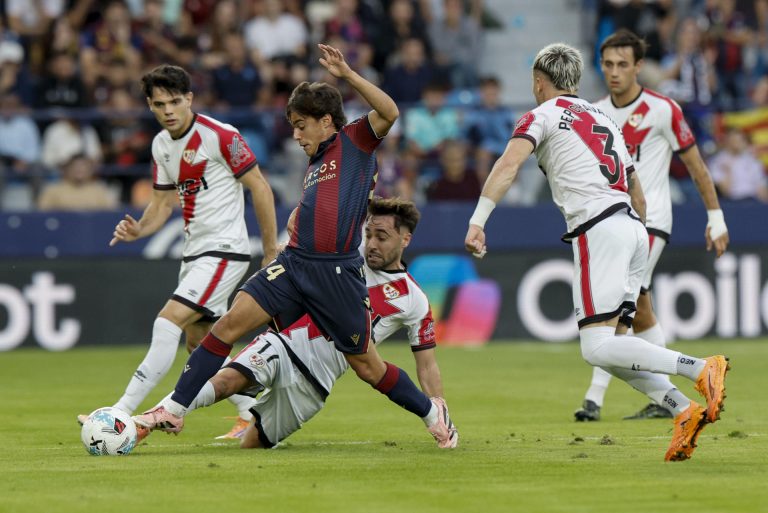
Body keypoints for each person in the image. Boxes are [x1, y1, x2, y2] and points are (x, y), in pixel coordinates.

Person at [134, 44, 458, 449]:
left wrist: (348, 75)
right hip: (294, 262)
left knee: (368, 367)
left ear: (327, 122)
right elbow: (324, 206)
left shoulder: (355, 141)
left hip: (336, 273)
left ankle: (432, 412)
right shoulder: (317, 161)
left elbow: (390, 112)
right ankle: (174, 409)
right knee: (229, 323)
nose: (296, 134)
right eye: (293, 125)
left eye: (302, 124)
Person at [464, 42, 730, 462]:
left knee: (595, 348)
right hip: (631, 226)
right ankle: (682, 411)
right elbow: (636, 189)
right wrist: (634, 235)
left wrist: (478, 220)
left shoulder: (541, 115)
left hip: (599, 229)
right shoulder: (601, 115)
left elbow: (508, 165)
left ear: (538, 81)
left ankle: (699, 368)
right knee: (612, 347)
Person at [139, 197, 457, 448]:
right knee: (226, 382)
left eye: (382, 237)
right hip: (285, 342)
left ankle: (243, 424)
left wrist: (438, 406)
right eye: (369, 234)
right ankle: (153, 417)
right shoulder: (346, 256)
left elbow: (427, 365)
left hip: (316, 382)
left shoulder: (413, 299)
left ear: (405, 238)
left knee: (253, 445)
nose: (372, 244)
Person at [78, 64, 279, 435]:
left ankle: (120, 412)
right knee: (199, 342)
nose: (168, 110)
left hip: (225, 250)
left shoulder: (220, 135)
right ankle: (254, 412)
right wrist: (139, 229)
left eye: (175, 102)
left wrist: (269, 251)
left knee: (167, 320)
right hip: (196, 253)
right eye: (159, 104)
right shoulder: (160, 145)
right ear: (150, 106)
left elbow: (260, 187)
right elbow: (161, 205)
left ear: (189, 99)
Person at [574, 29, 730, 422]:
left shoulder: (663, 109)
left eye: (622, 64)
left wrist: (716, 217)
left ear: (639, 66)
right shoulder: (593, 113)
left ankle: (595, 399)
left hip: (652, 220)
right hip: (611, 222)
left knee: (617, 310)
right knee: (639, 309)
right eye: (607, 64)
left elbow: (696, 168)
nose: (614, 72)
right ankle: (668, 400)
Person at [709, 128, 768, 203]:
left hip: (753, 200)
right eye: (734, 140)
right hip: (731, 202)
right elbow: (725, 191)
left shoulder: (752, 161)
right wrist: (728, 172)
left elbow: (761, 189)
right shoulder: (718, 161)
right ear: (727, 141)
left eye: (739, 140)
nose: (737, 143)